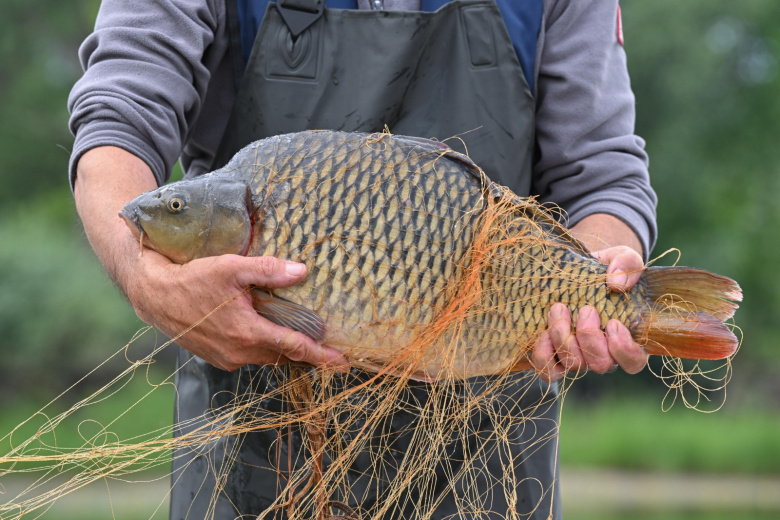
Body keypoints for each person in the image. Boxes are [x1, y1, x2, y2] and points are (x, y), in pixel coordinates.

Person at [69, 0, 657, 518]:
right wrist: (143, 276)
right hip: (253, 448)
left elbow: (604, 178)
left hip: (487, 443)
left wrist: (592, 286)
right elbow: (118, 117)